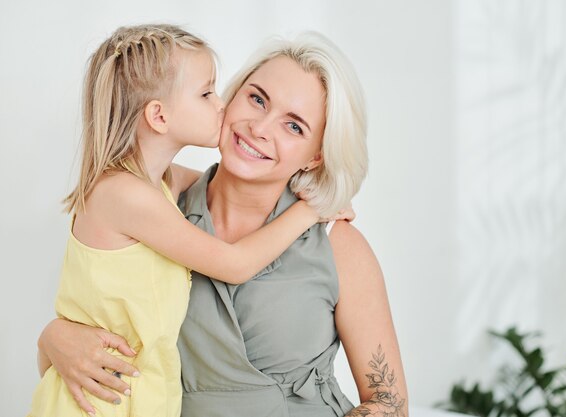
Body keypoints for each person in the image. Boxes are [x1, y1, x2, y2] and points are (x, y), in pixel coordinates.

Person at [37, 32, 408, 417]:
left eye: (294, 126)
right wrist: (52, 340)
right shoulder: (160, 209)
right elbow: (98, 338)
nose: (260, 128)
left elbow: (390, 403)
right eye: (257, 99)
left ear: (316, 157)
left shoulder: (337, 244)